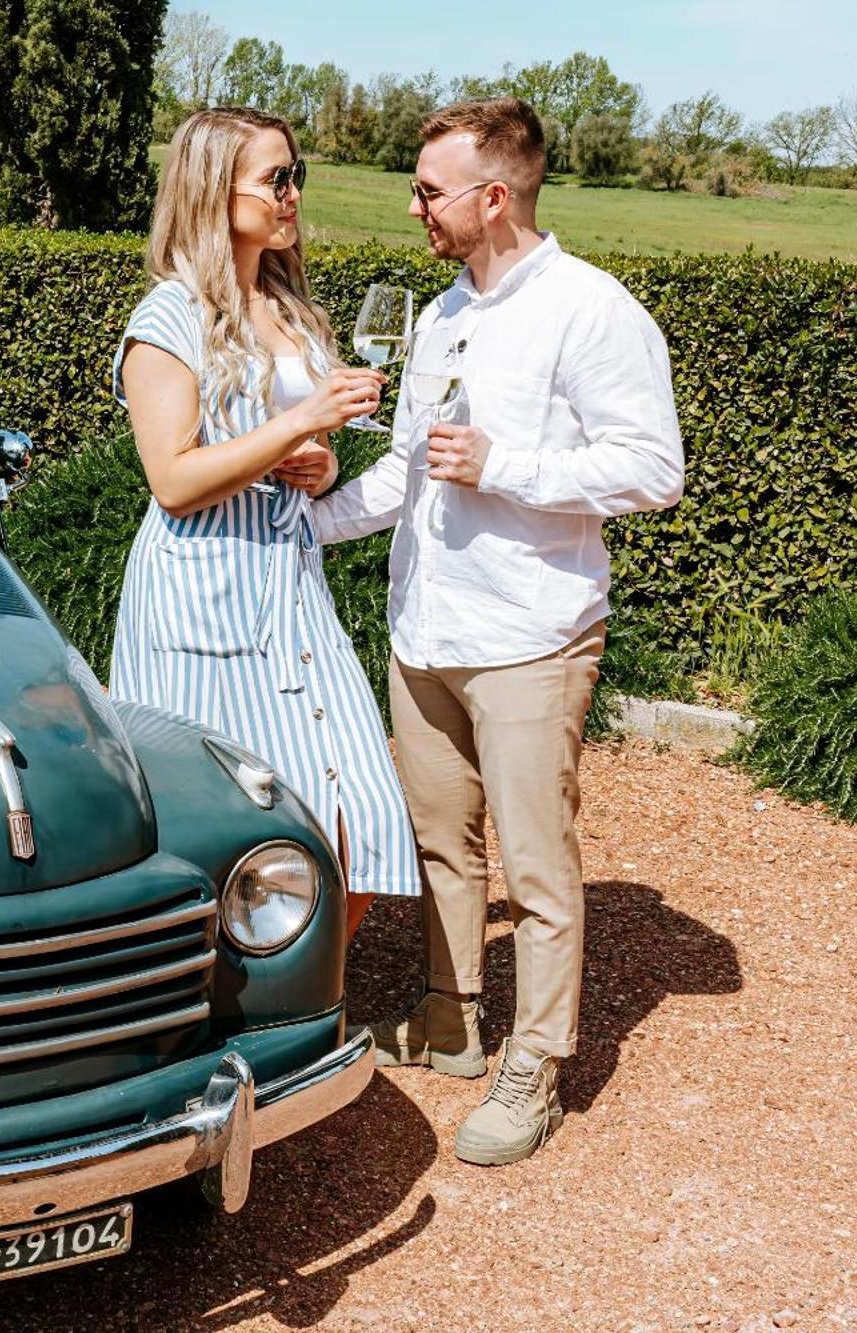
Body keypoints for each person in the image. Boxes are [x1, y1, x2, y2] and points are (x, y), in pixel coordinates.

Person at [308, 97, 684, 1166]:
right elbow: (403, 469)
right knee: (436, 840)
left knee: (534, 861)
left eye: (429, 189)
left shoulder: (590, 311)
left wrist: (507, 468)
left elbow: (655, 471)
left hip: (530, 633)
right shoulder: (433, 314)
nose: (413, 205)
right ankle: (447, 1018)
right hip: (423, 625)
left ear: (492, 195)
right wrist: (299, 520)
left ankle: (537, 1065)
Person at [109, 106, 424, 935]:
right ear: (217, 190)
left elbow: (287, 452)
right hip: (202, 587)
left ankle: (304, 995)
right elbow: (173, 480)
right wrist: (298, 421)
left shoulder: (288, 305)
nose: (292, 195)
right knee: (214, 827)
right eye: (275, 179)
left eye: (296, 176)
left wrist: (318, 463)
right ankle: (214, 1010)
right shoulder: (168, 319)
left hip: (288, 581)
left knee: (358, 810)